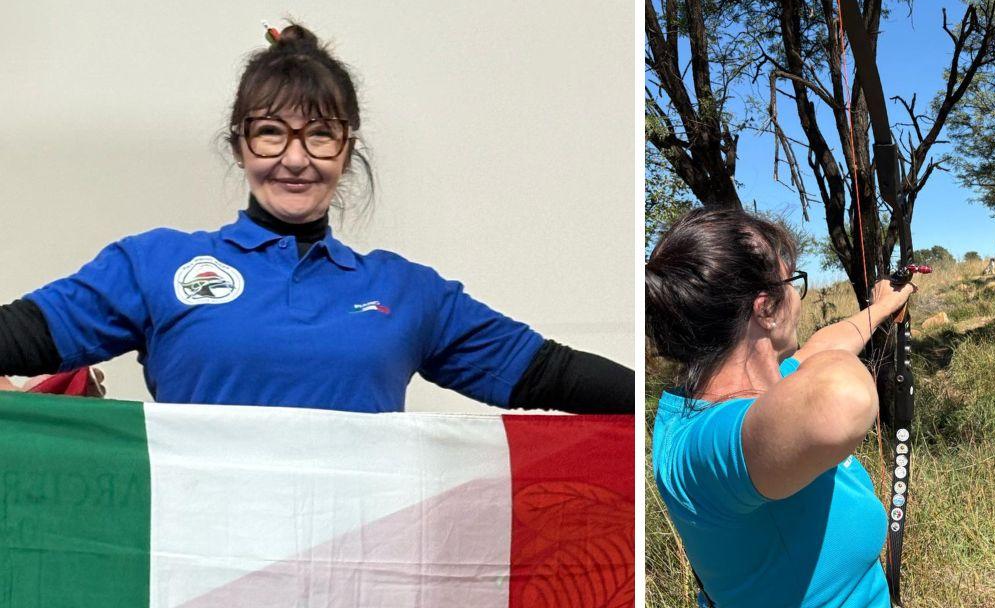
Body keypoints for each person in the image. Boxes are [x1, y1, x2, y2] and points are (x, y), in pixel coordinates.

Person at [0, 23, 630, 415]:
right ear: (240, 144)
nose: (295, 159)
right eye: (271, 133)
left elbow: (547, 373)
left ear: (348, 148)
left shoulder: (407, 292)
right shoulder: (153, 265)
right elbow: (23, 334)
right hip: (190, 594)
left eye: (321, 135)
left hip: (360, 592)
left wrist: (670, 416)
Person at [645, 208, 915, 608]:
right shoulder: (707, 445)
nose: (798, 297)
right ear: (765, 308)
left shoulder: (734, 397)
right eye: (793, 282)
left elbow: (823, 346)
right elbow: (841, 396)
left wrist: (880, 307)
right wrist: (810, 362)